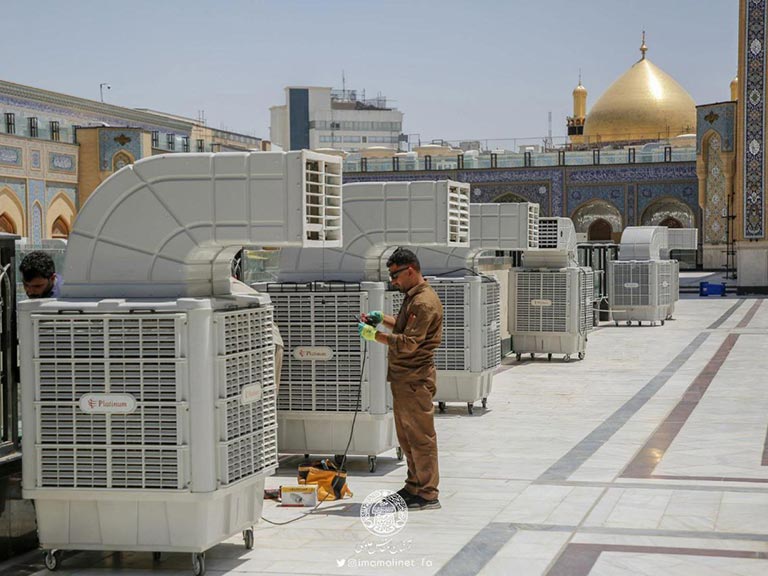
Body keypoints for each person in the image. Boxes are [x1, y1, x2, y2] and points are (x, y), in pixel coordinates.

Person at [358, 247, 443, 511]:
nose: (393, 281)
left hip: (415, 379)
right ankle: (414, 485)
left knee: (421, 438)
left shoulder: (423, 302)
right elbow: (406, 328)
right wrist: (382, 320)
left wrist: (376, 336)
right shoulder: (412, 296)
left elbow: (409, 343)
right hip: (405, 379)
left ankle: (428, 493)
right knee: (407, 437)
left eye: (395, 275)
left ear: (410, 270)